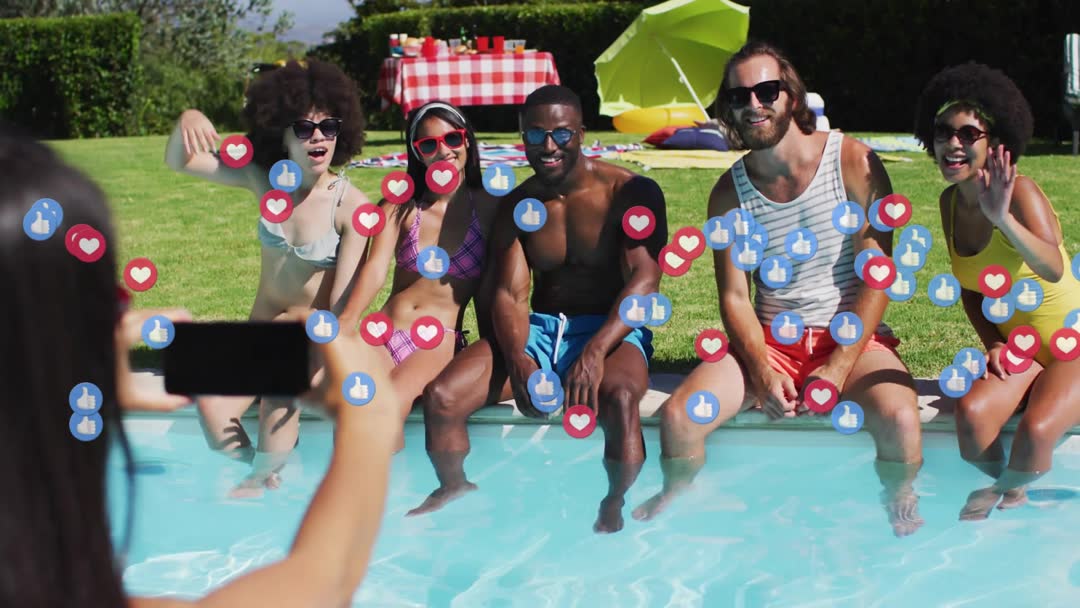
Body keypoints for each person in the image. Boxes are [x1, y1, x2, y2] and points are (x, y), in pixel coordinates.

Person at [0, 122, 398, 607]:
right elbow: (326, 580)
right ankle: (267, 476)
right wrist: (369, 423)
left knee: (254, 403)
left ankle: (266, 474)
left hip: (296, 340)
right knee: (225, 407)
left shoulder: (347, 204)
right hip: (275, 341)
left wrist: (85, 374)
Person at [633, 41, 925, 537]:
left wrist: (838, 366)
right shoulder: (729, 194)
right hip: (772, 343)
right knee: (680, 418)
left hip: (852, 340)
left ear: (792, 95)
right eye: (739, 96)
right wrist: (763, 372)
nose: (754, 104)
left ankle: (899, 502)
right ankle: (682, 502)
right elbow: (734, 297)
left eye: (767, 91)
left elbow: (877, 277)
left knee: (900, 419)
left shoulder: (854, 162)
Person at [410, 85, 669, 533]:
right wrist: (518, 359)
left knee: (622, 398)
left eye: (561, 134)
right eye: (535, 135)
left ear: (581, 133)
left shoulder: (630, 191)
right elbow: (509, 295)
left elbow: (644, 282)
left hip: (611, 329)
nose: (548, 146)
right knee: (442, 397)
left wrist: (594, 352)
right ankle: (453, 488)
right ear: (522, 137)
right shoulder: (519, 204)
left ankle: (614, 503)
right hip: (541, 330)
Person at [163, 58, 370, 496]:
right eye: (304, 128)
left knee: (279, 385)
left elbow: (343, 308)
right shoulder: (265, 181)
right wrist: (187, 119)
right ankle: (268, 473)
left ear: (343, 131)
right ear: (280, 133)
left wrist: (323, 362)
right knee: (210, 406)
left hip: (313, 340)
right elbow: (181, 162)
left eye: (329, 126)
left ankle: (259, 481)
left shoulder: (350, 206)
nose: (318, 137)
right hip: (261, 335)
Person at [914, 63, 1080, 519]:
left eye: (969, 134)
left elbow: (1051, 267)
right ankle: (1011, 494)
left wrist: (1001, 217)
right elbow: (972, 291)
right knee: (972, 416)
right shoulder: (949, 203)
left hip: (1073, 342)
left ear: (995, 143)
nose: (953, 144)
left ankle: (1004, 497)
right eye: (943, 132)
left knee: (1037, 430)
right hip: (1022, 349)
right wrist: (994, 342)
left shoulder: (1021, 192)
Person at [338, 101, 499, 447]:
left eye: (452, 139)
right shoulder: (400, 206)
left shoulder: (489, 208)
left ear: (467, 141)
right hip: (386, 328)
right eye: (429, 144)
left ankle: (390, 481)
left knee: (388, 407)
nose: (443, 151)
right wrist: (347, 322)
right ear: (417, 152)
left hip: (437, 339)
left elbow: (500, 284)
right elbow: (375, 270)